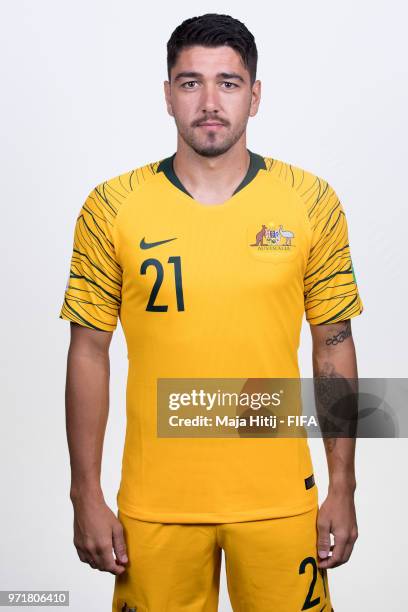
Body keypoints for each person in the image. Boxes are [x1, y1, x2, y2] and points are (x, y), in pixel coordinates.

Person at [59, 13, 363, 612]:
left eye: (228, 82)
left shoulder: (311, 202)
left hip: (280, 500)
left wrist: (344, 485)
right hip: (155, 505)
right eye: (190, 82)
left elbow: (333, 345)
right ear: (168, 95)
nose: (209, 101)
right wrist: (85, 493)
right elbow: (88, 352)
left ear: (255, 95)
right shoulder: (111, 206)